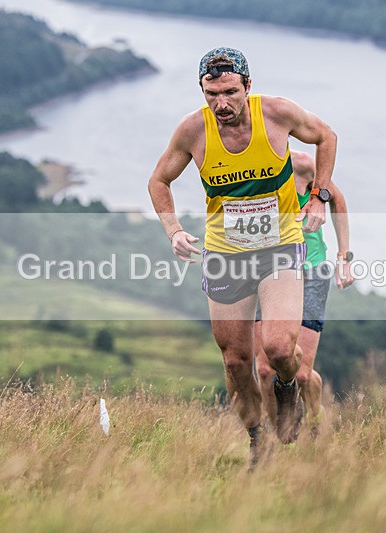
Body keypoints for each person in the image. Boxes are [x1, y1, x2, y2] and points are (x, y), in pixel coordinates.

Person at [147, 47, 337, 467]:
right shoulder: (193, 131)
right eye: (211, 94)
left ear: (247, 86)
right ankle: (258, 443)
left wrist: (319, 197)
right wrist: (174, 230)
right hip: (226, 254)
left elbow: (327, 136)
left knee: (279, 349)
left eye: (230, 92)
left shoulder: (277, 114)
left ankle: (288, 390)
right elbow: (159, 181)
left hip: (280, 245)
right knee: (235, 361)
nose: (221, 104)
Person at [255, 150, 354, 440]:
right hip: (266, 271)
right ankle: (283, 437)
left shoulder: (302, 164)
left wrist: (343, 257)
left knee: (300, 374)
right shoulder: (240, 166)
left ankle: (314, 416)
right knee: (263, 370)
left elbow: (337, 201)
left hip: (312, 269)